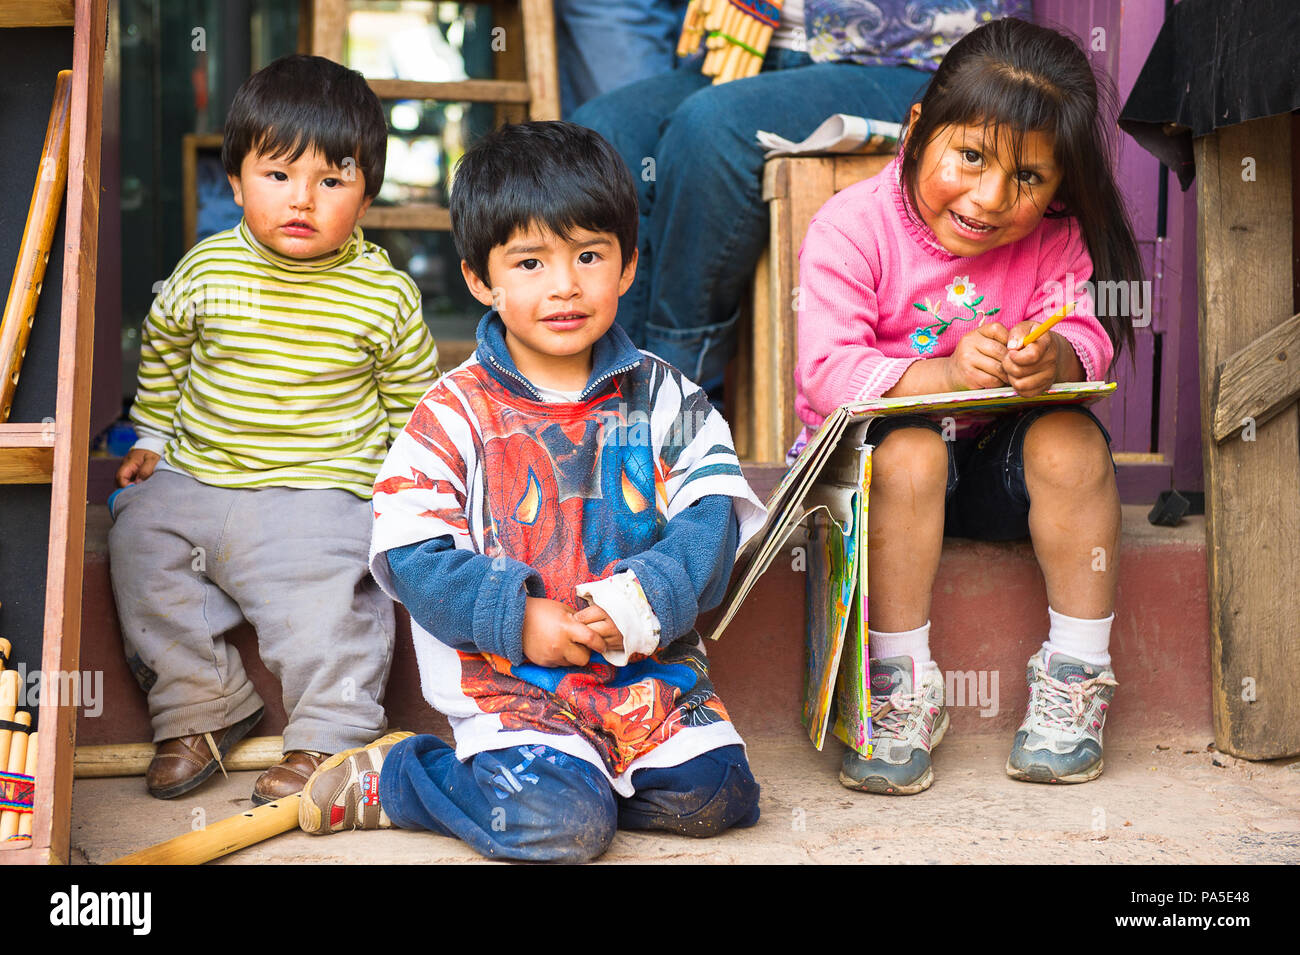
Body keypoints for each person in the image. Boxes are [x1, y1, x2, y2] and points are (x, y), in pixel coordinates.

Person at [297, 121, 768, 863]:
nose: (564, 285)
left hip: (645, 681)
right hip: (516, 689)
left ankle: (586, 776)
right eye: (529, 261)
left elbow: (711, 522)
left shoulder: (668, 397)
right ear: (481, 279)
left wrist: (646, 597)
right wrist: (518, 618)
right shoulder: (451, 412)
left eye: (589, 255)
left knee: (720, 796)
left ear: (627, 264)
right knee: (561, 828)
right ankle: (409, 778)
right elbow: (414, 554)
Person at [794, 18, 1142, 794]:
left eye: (1028, 178)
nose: (991, 199)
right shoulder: (852, 228)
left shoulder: (1054, 239)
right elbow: (825, 371)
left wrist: (1050, 359)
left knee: (1072, 445)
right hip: (879, 483)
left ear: (1059, 187)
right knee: (911, 452)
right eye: (971, 157)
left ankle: (1075, 677)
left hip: (988, 473)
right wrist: (942, 373)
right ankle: (896, 687)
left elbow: (1086, 333)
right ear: (919, 128)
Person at [108, 54, 440, 805]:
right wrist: (153, 436)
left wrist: (409, 491)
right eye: (278, 174)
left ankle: (330, 730)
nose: (302, 199)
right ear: (234, 181)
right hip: (199, 476)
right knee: (136, 539)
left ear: (368, 194)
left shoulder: (382, 296)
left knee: (327, 599)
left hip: (319, 489)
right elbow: (165, 348)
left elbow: (413, 404)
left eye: (332, 180)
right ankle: (203, 705)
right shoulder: (204, 269)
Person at [571, 0, 1029, 403]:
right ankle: (606, 381)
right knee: (604, 132)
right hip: (761, 53)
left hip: (908, 60)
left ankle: (678, 393)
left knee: (713, 129)